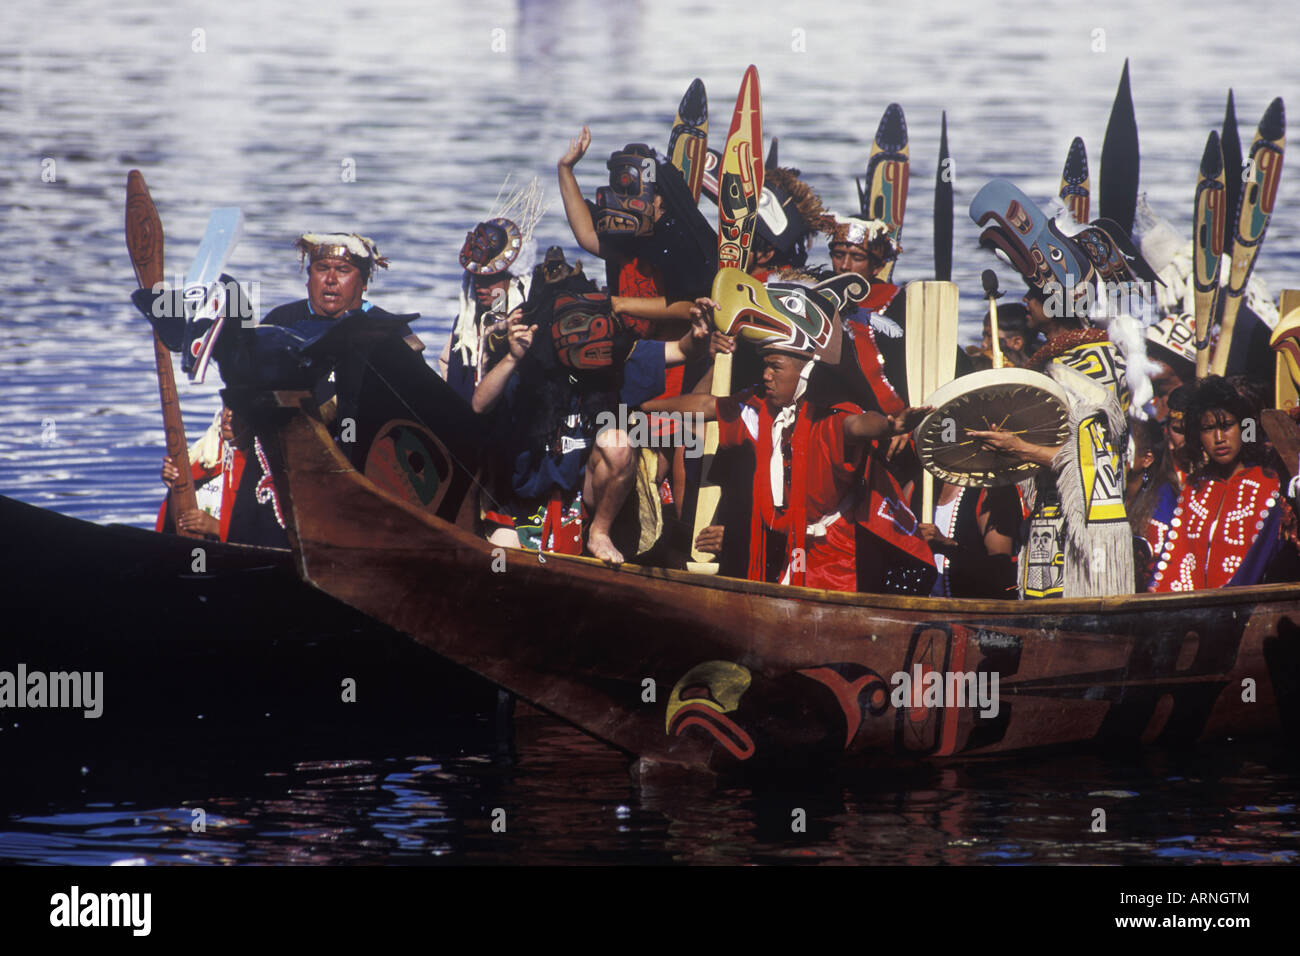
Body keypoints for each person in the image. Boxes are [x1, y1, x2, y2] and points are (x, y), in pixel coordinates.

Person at [645, 280, 935, 594]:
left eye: (775, 367)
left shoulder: (831, 418)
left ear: (806, 372)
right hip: (787, 544)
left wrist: (891, 426)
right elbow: (706, 405)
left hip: (841, 549)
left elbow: (860, 425)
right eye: (764, 366)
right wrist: (637, 408)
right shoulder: (759, 408)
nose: (765, 375)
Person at [471, 276, 714, 567]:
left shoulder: (616, 363)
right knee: (501, 557)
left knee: (618, 442)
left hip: (588, 498)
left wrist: (698, 334)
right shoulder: (530, 371)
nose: (590, 335)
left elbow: (683, 350)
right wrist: (512, 358)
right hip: (525, 501)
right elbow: (479, 405)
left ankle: (600, 533)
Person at [1149, 376, 1297, 591]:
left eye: (1227, 425)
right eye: (1208, 429)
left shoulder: (1269, 485)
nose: (1219, 438)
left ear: (1244, 427)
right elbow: (1175, 559)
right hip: (1193, 613)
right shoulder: (1193, 489)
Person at [438, 179, 546, 402]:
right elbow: (449, 370)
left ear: (511, 279)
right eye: (476, 279)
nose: (480, 286)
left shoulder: (528, 323)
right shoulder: (465, 324)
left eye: (491, 279)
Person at [159, 403, 289, 548]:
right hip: (196, 555)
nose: (229, 414)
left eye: (238, 409)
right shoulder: (202, 457)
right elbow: (175, 523)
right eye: (227, 406)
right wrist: (175, 485)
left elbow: (270, 535)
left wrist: (217, 528)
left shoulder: (260, 468)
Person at [917, 483, 1024, 598]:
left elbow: (999, 572)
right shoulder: (916, 487)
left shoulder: (993, 490)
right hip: (919, 610)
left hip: (969, 610)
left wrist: (949, 546)